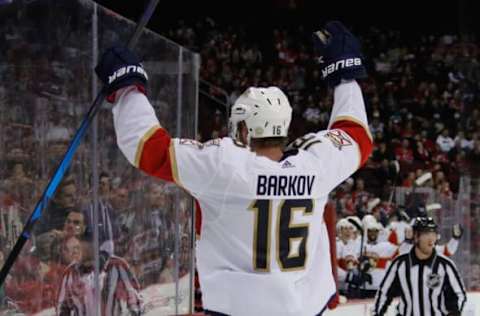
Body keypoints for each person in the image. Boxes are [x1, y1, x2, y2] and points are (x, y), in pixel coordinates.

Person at [95, 21, 373, 316]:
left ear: (243, 130)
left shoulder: (224, 166)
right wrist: (345, 76)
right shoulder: (315, 164)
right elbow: (356, 135)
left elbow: (146, 147)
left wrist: (127, 86)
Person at [373, 217, 466, 316]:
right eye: (426, 234)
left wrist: (454, 313)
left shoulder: (445, 265)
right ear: (416, 237)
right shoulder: (400, 264)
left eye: (433, 233)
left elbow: (459, 295)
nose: (431, 238)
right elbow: (384, 293)